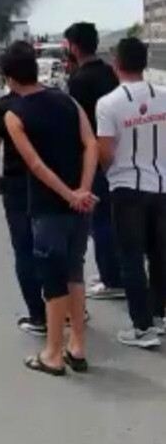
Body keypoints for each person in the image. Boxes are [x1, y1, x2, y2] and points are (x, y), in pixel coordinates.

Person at [3, 42, 98, 376]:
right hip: (81, 206)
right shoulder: (68, 101)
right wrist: (83, 190)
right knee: (75, 271)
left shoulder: (14, 115)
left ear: (10, 79)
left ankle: (53, 353)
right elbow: (91, 144)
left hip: (49, 207)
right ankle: (78, 346)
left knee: (52, 277)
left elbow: (36, 165)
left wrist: (69, 194)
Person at [97, 37, 166, 349]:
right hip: (162, 186)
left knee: (131, 258)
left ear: (116, 64)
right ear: (146, 60)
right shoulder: (163, 96)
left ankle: (142, 328)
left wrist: (108, 172)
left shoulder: (109, 103)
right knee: (160, 255)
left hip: (127, 190)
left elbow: (106, 151)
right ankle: (159, 316)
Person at [65, 21, 124, 300]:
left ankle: (112, 279)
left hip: (93, 157)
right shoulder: (109, 73)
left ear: (74, 47)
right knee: (112, 218)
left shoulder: (78, 80)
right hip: (116, 151)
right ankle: (113, 270)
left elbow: (75, 124)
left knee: (98, 220)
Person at [0, 73, 46, 336]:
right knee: (56, 247)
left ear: (9, 77)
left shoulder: (3, 106)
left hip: (18, 186)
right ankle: (68, 310)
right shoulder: (57, 100)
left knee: (24, 249)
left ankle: (38, 316)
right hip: (52, 184)